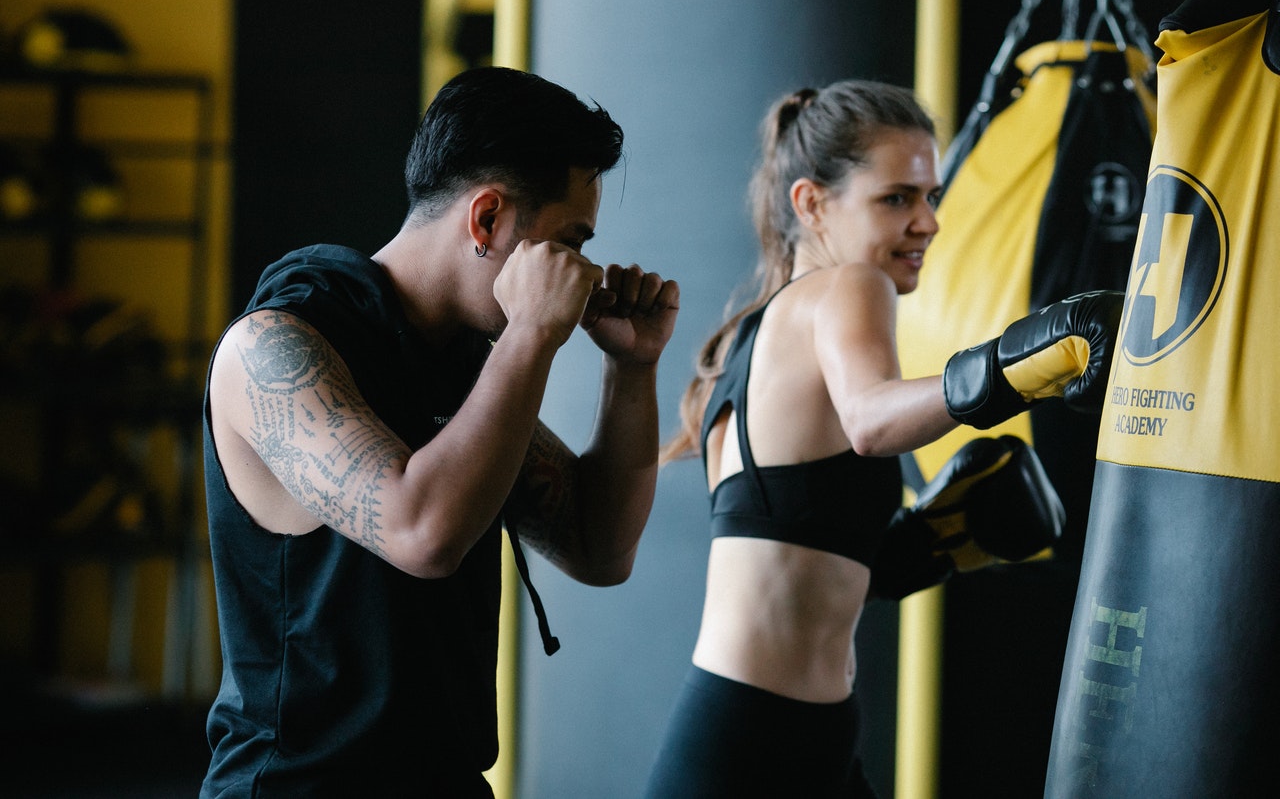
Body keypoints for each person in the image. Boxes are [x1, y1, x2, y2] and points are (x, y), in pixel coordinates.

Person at [200, 66, 680, 798]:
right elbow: (421, 533)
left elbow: (599, 546)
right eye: (569, 242)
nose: (581, 272)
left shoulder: (460, 367)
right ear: (487, 219)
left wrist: (632, 368)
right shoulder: (275, 347)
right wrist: (534, 334)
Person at [643, 80, 1120, 797]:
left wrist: (933, 540)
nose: (927, 222)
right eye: (897, 198)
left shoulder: (753, 339)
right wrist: (1021, 366)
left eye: (931, 196)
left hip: (783, 735)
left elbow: (792, 562)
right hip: (756, 747)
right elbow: (871, 420)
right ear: (812, 204)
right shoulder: (847, 288)